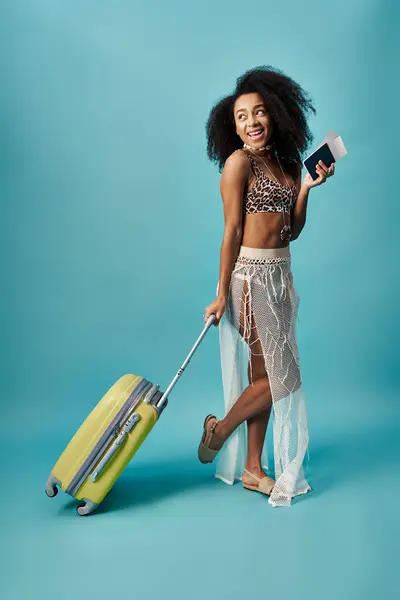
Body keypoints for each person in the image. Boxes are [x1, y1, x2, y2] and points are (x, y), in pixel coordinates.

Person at [197, 66, 335, 507]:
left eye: (259, 113)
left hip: (280, 275)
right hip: (250, 277)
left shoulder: (287, 163)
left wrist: (307, 188)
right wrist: (221, 292)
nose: (252, 122)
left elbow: (290, 230)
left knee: (263, 375)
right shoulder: (238, 164)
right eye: (241, 116)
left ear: (274, 115)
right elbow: (232, 230)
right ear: (231, 126)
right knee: (281, 377)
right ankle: (219, 432)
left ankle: (254, 469)